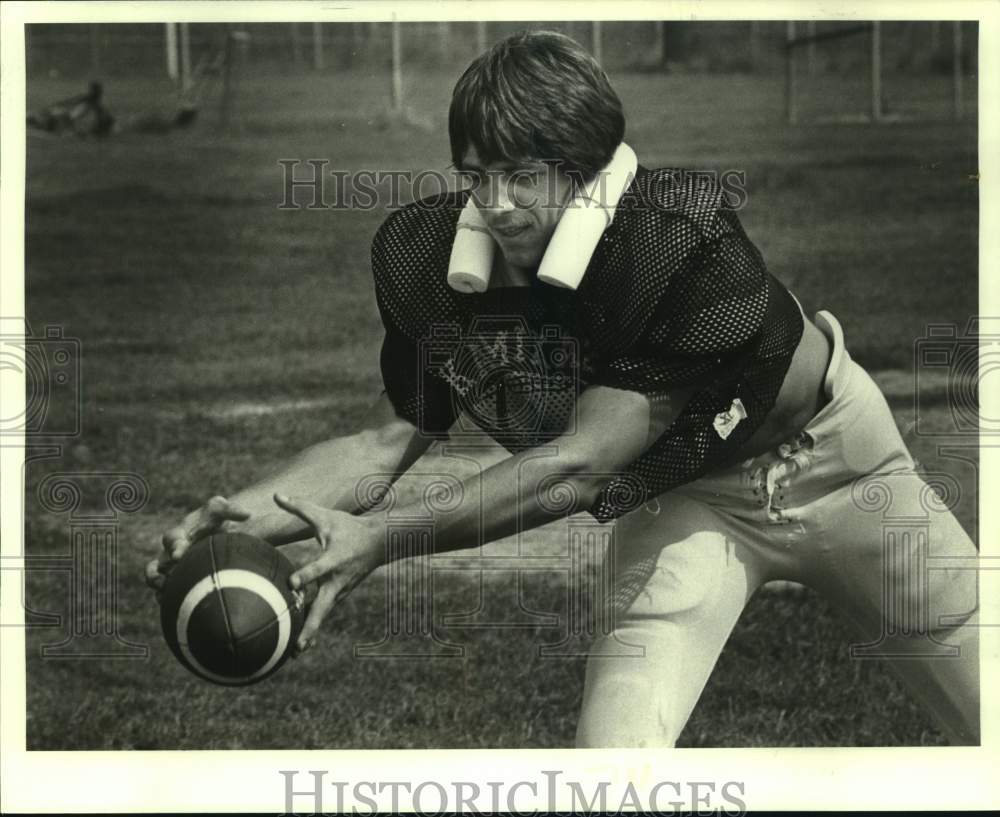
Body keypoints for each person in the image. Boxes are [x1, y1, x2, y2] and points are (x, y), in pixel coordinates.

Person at [145, 30, 979, 746]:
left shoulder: (673, 238)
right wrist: (255, 515)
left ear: (587, 175)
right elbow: (386, 439)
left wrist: (383, 538)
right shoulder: (423, 257)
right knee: (611, 765)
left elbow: (580, 465)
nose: (496, 205)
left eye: (522, 176)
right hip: (686, 499)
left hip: (839, 466)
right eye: (476, 175)